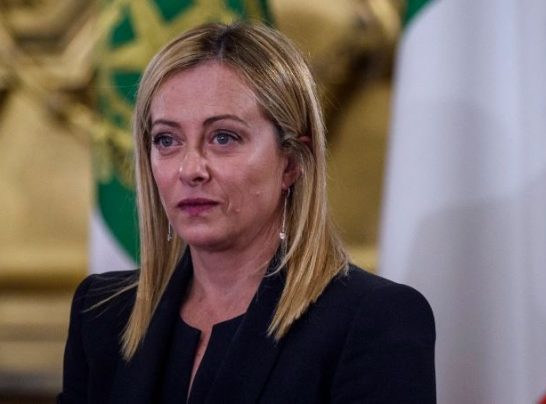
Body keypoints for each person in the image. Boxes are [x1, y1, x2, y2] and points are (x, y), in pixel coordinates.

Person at [58, 23, 436, 403]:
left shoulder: (374, 319)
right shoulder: (103, 313)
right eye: (166, 140)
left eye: (223, 137)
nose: (190, 169)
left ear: (292, 162)